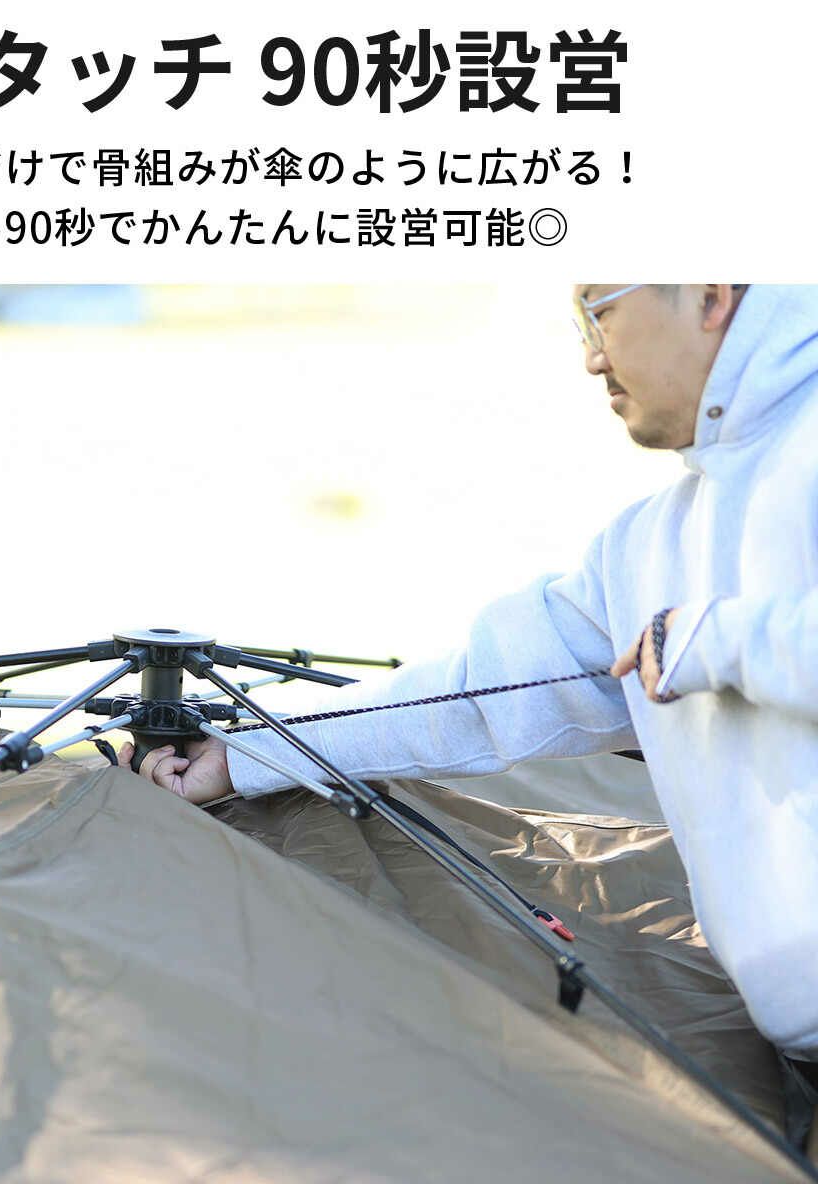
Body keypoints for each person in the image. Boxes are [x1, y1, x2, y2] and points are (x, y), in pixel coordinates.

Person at [118, 284, 818, 1148]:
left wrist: (726, 641)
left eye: (600, 312)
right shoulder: (650, 543)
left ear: (709, 294)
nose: (591, 356)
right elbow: (478, 693)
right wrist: (247, 754)